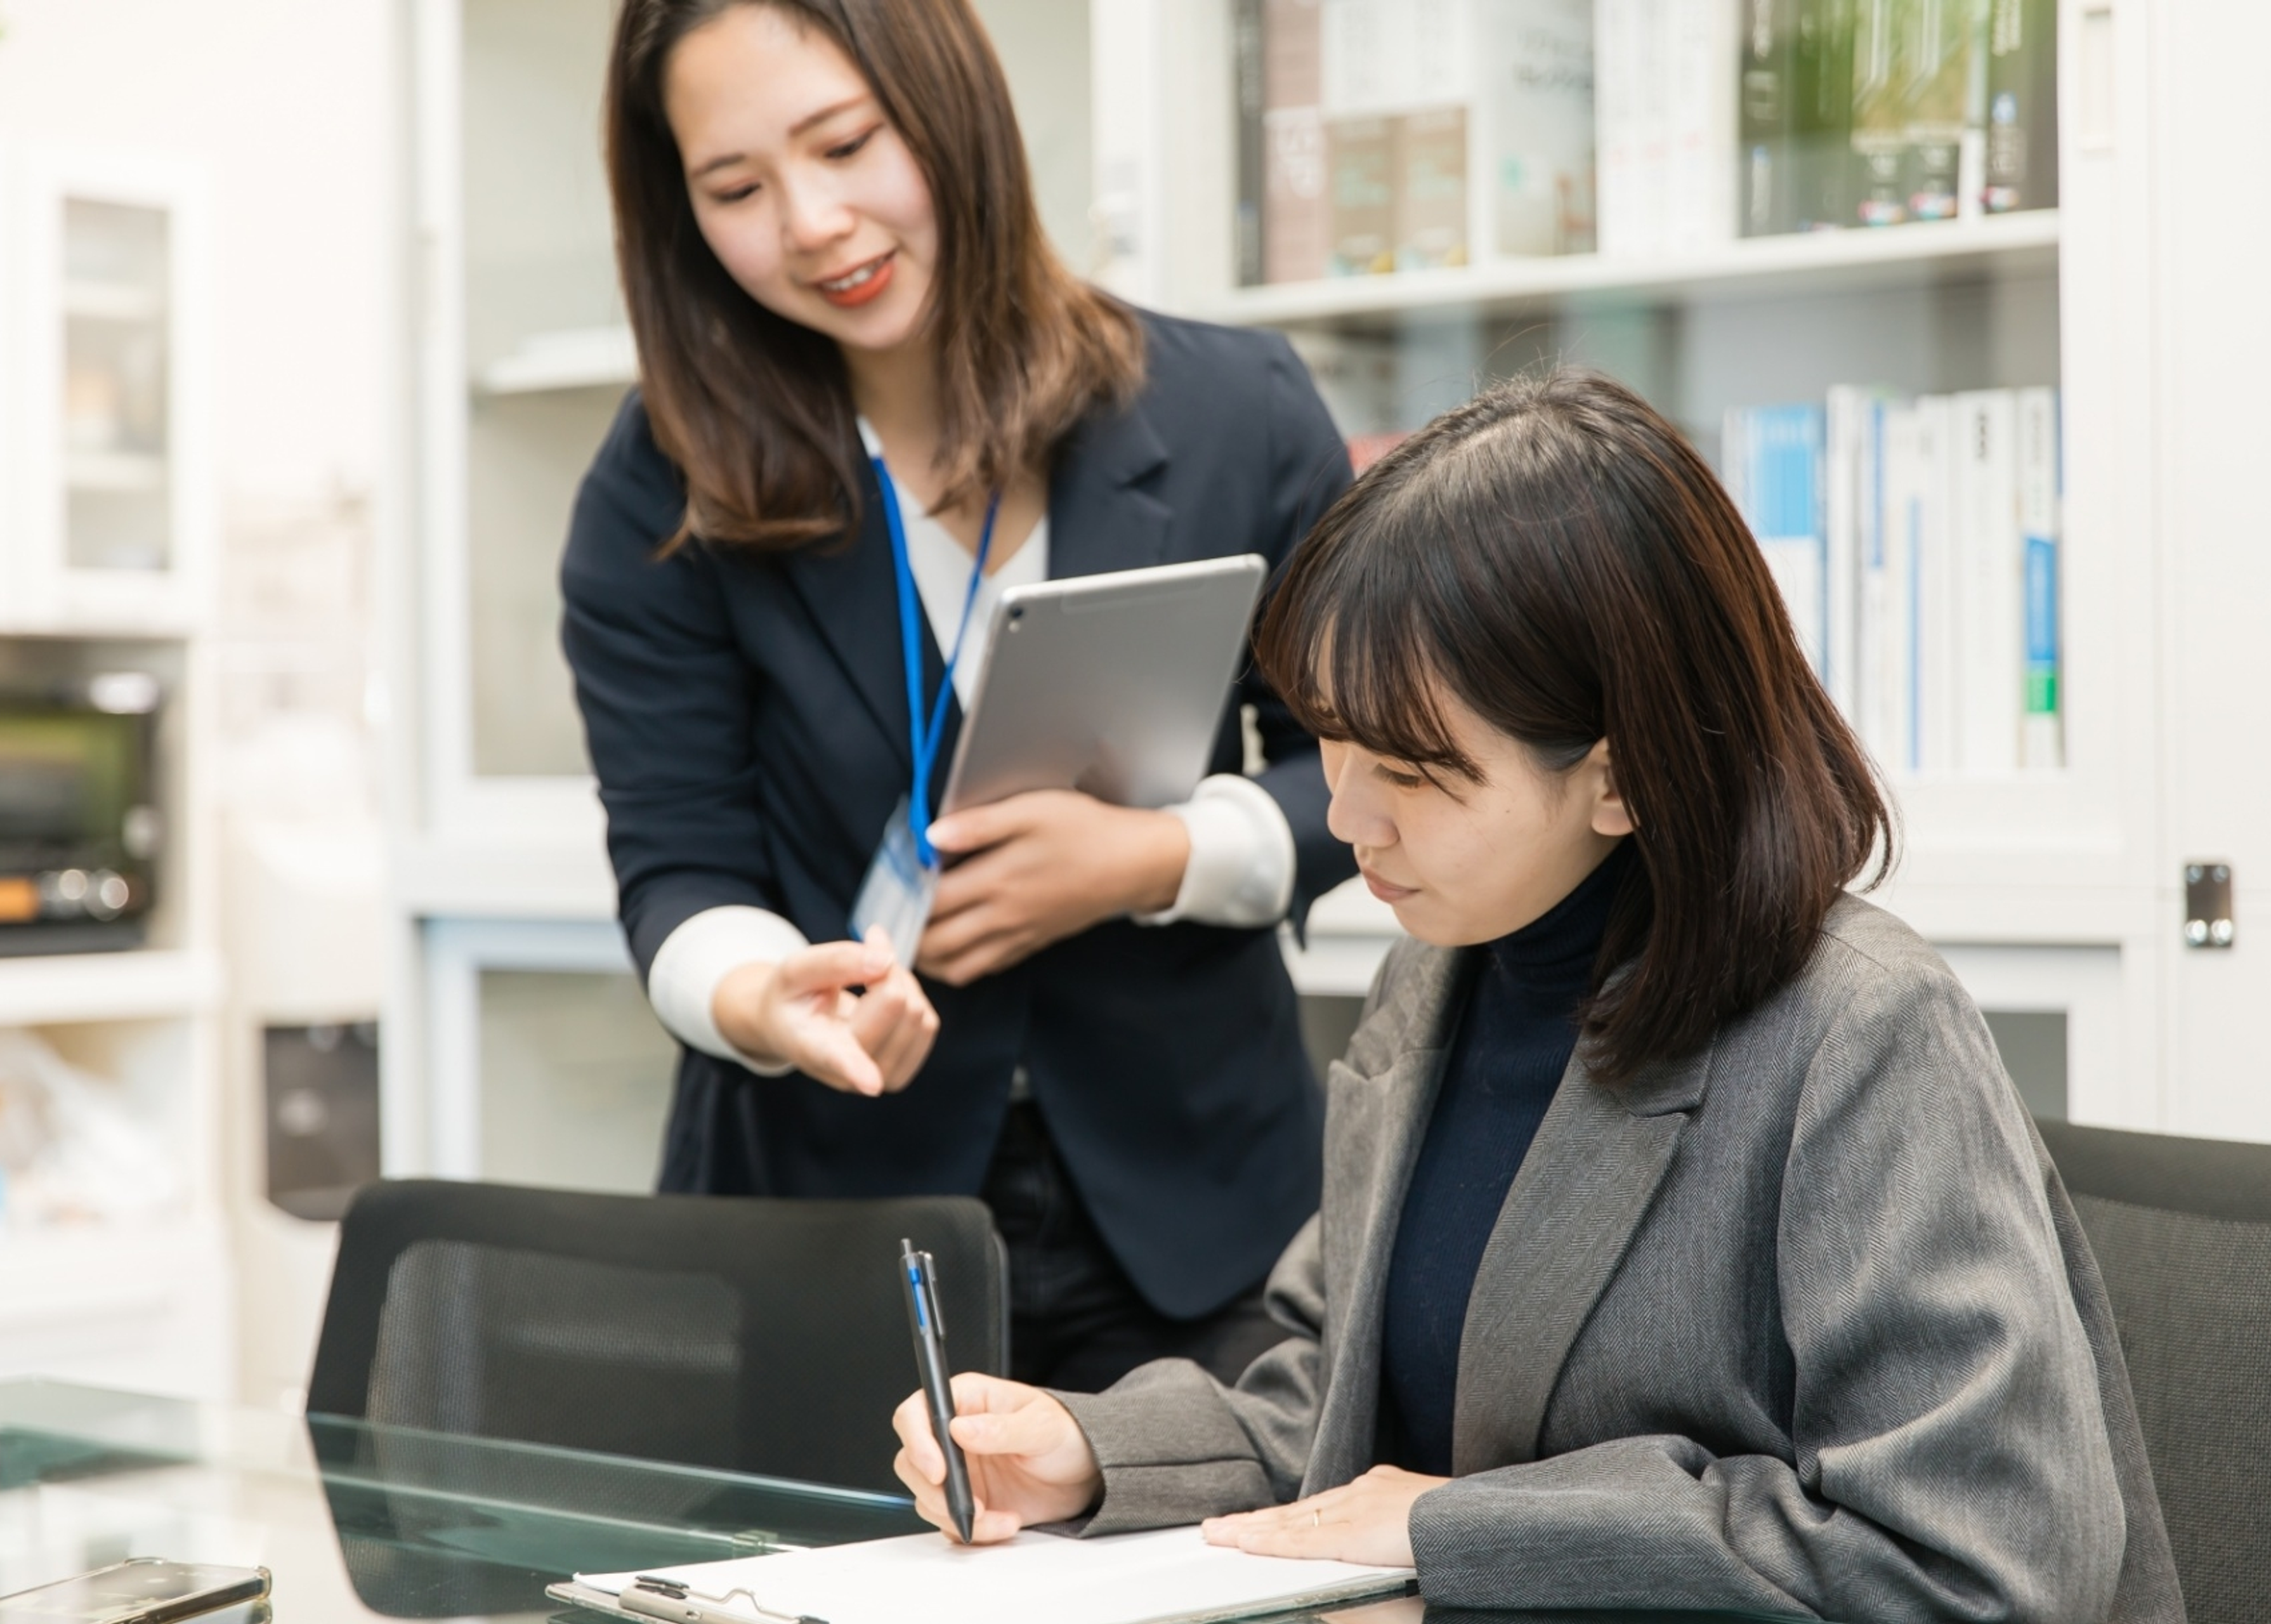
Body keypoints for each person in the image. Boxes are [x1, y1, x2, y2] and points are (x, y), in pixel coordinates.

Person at [891, 370, 2185, 1623]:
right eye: (1331, 739)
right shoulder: (1434, 977)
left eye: (1411, 771)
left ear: (1621, 778)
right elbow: (1341, 1399)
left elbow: (1978, 1558)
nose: (1345, 819)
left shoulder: (1861, 1031)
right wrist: (1092, 1449)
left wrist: (1462, 1526)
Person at [561, 0, 1354, 1391]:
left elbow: (1364, 769)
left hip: (1207, 1220)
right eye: (736, 189)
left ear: (951, 107)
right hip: (833, 1223)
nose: (812, 224)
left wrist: (1154, 858)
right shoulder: (661, 483)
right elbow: (679, 869)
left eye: (844, 144)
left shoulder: (1239, 411)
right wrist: (764, 996)